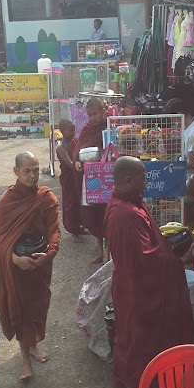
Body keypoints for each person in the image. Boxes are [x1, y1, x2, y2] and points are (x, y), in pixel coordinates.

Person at [104, 157, 194, 388]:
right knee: (137, 340)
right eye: (142, 178)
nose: (146, 182)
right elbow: (145, 260)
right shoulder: (125, 214)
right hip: (137, 289)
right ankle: (126, 386)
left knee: (131, 338)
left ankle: (123, 386)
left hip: (132, 285)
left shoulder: (128, 205)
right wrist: (180, 261)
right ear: (127, 180)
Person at [0, 152, 61, 383]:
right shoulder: (7, 202)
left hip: (40, 263)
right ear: (16, 172)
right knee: (21, 311)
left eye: (35, 170)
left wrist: (49, 253)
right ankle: (25, 361)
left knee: (39, 305)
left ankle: (33, 346)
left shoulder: (45, 197)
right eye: (26, 171)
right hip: (17, 268)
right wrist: (14, 259)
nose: (32, 176)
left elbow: (54, 230)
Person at [73, 97, 109, 264]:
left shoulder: (112, 124)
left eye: (95, 114)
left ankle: (110, 253)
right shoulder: (88, 129)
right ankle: (102, 250)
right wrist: (77, 161)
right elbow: (78, 149)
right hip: (92, 178)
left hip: (110, 177)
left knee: (109, 214)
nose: (92, 118)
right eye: (89, 115)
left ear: (104, 110)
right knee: (92, 215)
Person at [55, 119, 82, 242]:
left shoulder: (75, 141)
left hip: (78, 176)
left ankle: (79, 227)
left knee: (79, 202)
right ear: (62, 131)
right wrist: (79, 165)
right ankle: (73, 231)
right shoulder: (60, 148)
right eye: (70, 130)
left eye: (74, 129)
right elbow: (70, 164)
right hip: (69, 178)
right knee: (70, 204)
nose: (73, 132)